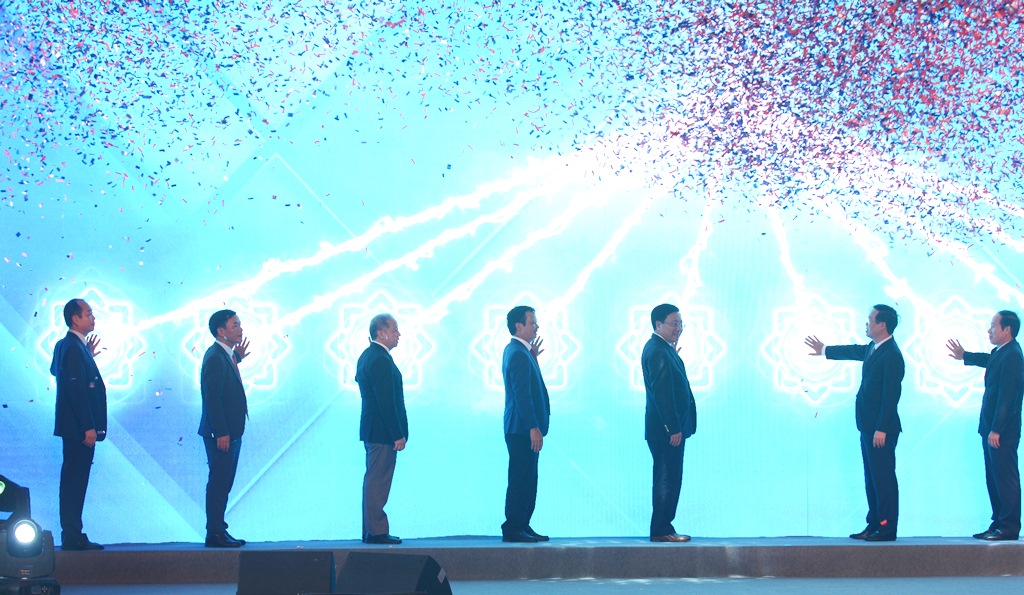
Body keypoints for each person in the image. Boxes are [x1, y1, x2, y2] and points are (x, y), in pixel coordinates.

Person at [805, 304, 904, 541]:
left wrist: (881, 427)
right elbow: (854, 351)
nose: (866, 323)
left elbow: (891, 395)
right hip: (868, 426)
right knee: (872, 479)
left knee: (883, 479)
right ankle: (874, 523)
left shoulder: (892, 354)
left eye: (870, 319)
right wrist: (824, 350)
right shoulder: (874, 347)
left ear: (882, 324)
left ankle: (887, 528)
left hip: (881, 429)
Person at [947, 310, 1024, 541]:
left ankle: (1009, 526)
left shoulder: (1013, 355)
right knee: (993, 477)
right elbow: (989, 361)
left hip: (1002, 432)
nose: (989, 331)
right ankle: (998, 522)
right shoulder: (1001, 352)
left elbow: (1008, 397)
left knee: (1005, 478)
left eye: (993, 326)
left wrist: (997, 429)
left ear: (1007, 329)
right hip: (991, 428)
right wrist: (965, 355)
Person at [51, 298, 107, 551]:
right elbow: (76, 389)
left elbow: (56, 371)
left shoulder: (67, 345)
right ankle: (72, 534)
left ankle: (73, 532)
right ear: (75, 319)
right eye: (89, 314)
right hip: (78, 429)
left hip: (73, 427)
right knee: (75, 480)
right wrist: (87, 425)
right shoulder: (73, 347)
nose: (93, 318)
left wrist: (88, 356)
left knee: (74, 479)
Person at [642, 304, 697, 543]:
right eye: (674, 324)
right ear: (658, 325)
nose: (679, 328)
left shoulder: (663, 348)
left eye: (680, 324)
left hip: (667, 429)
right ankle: (661, 529)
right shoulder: (657, 350)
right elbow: (663, 393)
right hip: (666, 431)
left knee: (671, 477)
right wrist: (672, 427)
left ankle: (664, 527)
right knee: (667, 478)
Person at [198, 309, 250, 548]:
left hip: (230, 431)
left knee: (223, 482)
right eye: (235, 325)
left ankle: (219, 528)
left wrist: (237, 357)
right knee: (219, 483)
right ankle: (215, 532)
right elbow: (212, 397)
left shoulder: (224, 355)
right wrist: (221, 432)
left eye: (239, 324)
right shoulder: (215, 357)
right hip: (222, 434)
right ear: (221, 331)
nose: (240, 329)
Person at [355, 314, 408, 545]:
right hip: (381, 432)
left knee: (375, 480)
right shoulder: (379, 359)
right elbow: (386, 402)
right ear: (381, 332)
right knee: (377, 481)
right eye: (394, 330)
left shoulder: (370, 355)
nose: (398, 334)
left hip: (375, 430)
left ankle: (372, 529)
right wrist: (397, 433)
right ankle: (376, 531)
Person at [500, 305, 550, 543]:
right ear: (518, 326)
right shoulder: (518, 353)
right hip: (521, 429)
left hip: (522, 428)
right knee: (521, 479)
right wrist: (532, 426)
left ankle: (523, 525)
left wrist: (534, 357)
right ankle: (513, 527)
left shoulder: (521, 351)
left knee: (528, 479)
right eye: (532, 322)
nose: (536, 326)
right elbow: (522, 395)